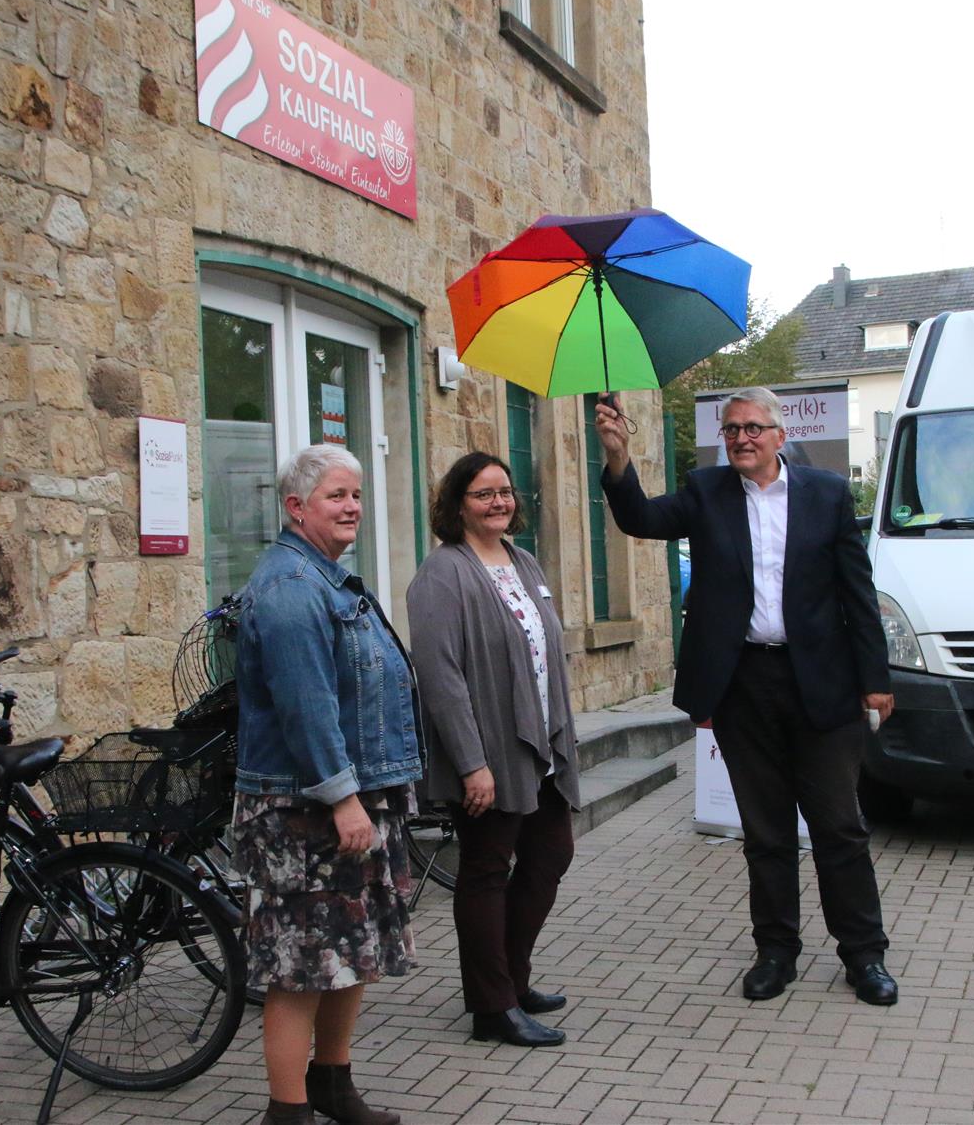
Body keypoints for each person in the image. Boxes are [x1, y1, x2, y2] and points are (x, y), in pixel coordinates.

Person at [594, 388, 900, 1006]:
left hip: (822, 684)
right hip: (743, 685)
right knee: (765, 831)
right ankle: (776, 952)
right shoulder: (706, 491)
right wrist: (619, 458)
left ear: (780, 436)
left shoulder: (826, 494)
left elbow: (857, 592)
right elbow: (641, 520)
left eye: (753, 428)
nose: (741, 438)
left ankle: (864, 954)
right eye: (731, 429)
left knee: (839, 827)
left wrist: (876, 679)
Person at [234, 443, 422, 1125]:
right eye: (337, 495)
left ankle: (333, 1085)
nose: (352, 507)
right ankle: (287, 1113)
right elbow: (306, 707)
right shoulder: (290, 588)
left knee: (352, 951)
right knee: (299, 967)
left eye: (356, 495)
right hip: (304, 809)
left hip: (355, 797)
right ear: (296, 506)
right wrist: (343, 798)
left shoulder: (329, 578)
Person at [406, 452, 580, 1048]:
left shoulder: (522, 561)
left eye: (504, 491)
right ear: (458, 505)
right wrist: (471, 763)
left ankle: (510, 981)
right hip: (487, 753)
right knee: (485, 869)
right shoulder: (441, 574)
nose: (499, 502)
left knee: (550, 854)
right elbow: (440, 676)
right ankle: (492, 1008)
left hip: (540, 747)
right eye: (484, 494)